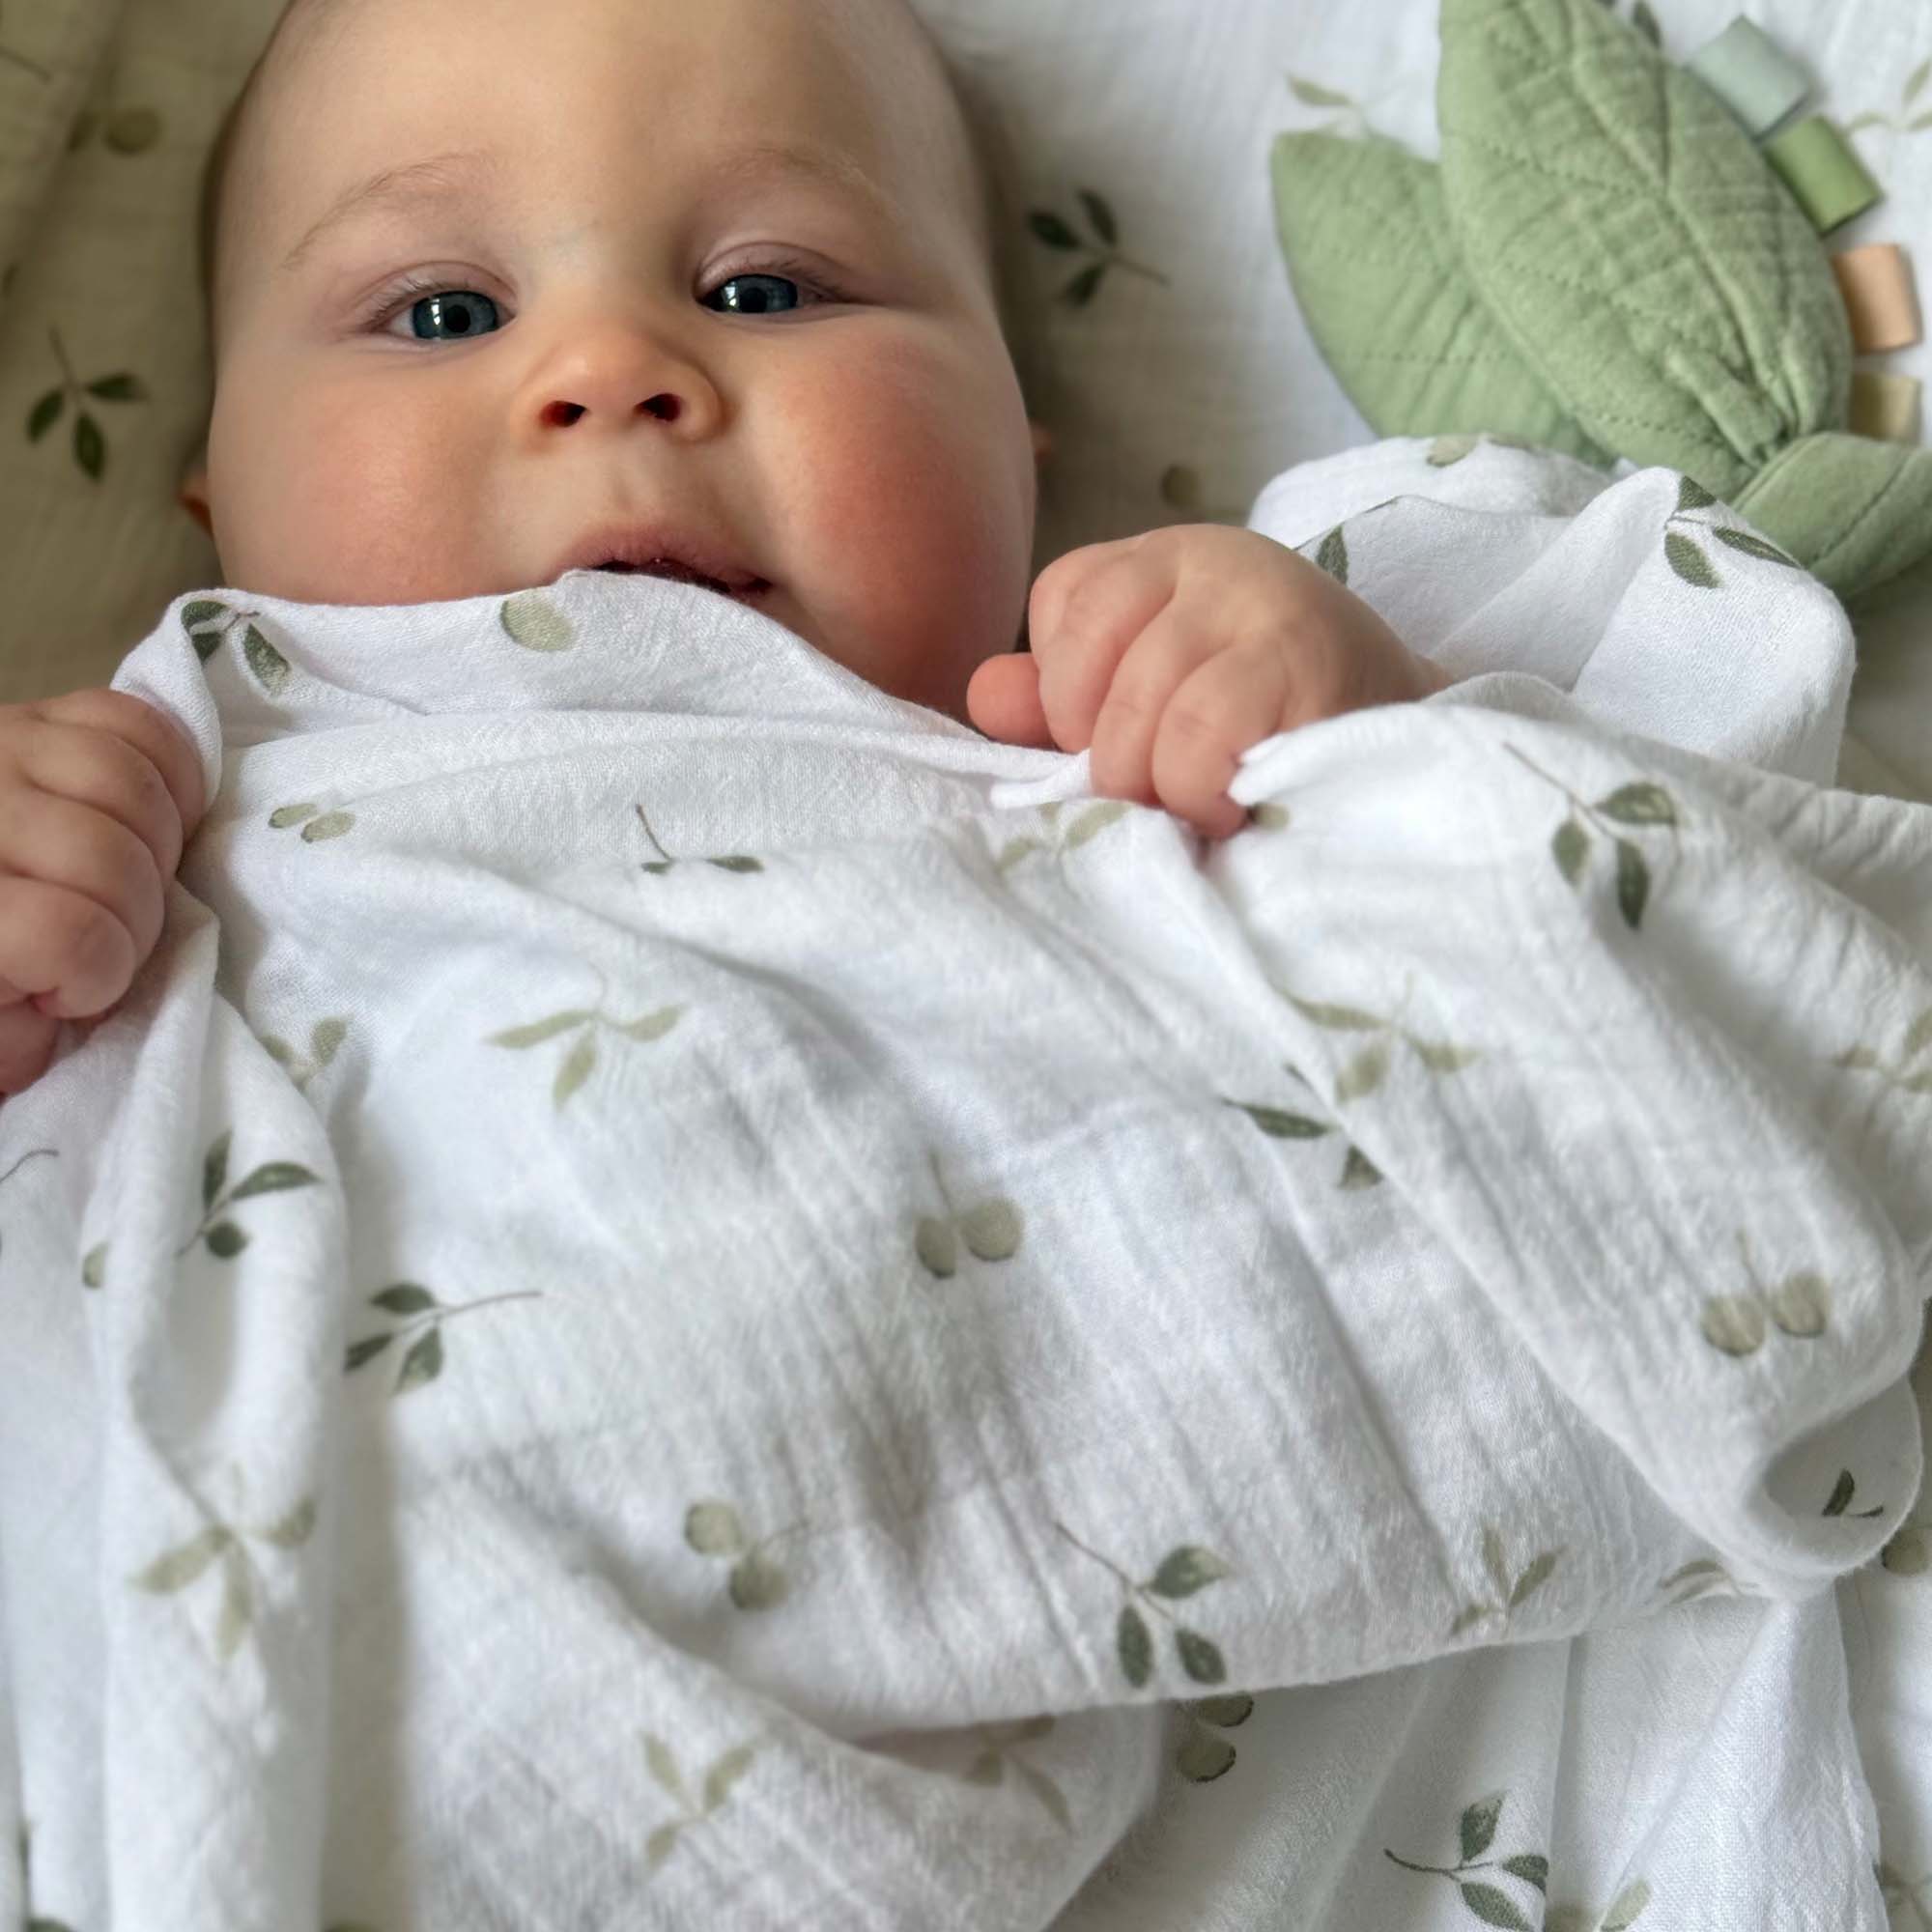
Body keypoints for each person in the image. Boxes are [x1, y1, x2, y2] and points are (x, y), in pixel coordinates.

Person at [0, 0, 1447, 1100]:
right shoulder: (137, 827)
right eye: (445, 314)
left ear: (1015, 453)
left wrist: (1349, 744)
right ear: (217, 500)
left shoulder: (1125, 744)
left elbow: (1493, 959)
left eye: (762, 290)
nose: (611, 370)